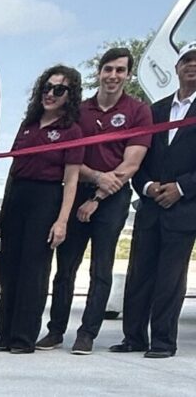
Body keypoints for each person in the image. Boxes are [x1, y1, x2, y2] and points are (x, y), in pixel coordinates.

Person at [39, 47, 151, 354]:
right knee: (65, 268)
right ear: (99, 72)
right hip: (79, 190)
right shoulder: (80, 110)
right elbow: (70, 160)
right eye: (108, 69)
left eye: (120, 70)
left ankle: (87, 332)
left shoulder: (138, 111)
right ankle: (55, 330)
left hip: (112, 199)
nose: (113, 76)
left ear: (128, 75)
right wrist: (95, 178)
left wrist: (100, 194)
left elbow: (131, 163)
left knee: (101, 270)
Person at [113, 41, 196, 358]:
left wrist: (181, 188)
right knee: (140, 274)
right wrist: (147, 187)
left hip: (185, 208)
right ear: (176, 68)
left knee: (170, 280)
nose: (191, 65)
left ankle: (163, 341)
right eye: (186, 60)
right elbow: (137, 159)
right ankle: (134, 337)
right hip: (150, 206)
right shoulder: (155, 110)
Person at [0, 65, 82, 354]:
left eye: (59, 89)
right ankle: (5, 333)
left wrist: (62, 221)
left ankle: (23, 337)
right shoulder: (28, 124)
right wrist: (3, 209)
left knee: (33, 269)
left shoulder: (72, 131)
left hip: (46, 198)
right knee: (10, 266)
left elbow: (71, 179)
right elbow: (13, 168)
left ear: (70, 95)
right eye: (47, 87)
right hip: (18, 195)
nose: (51, 94)